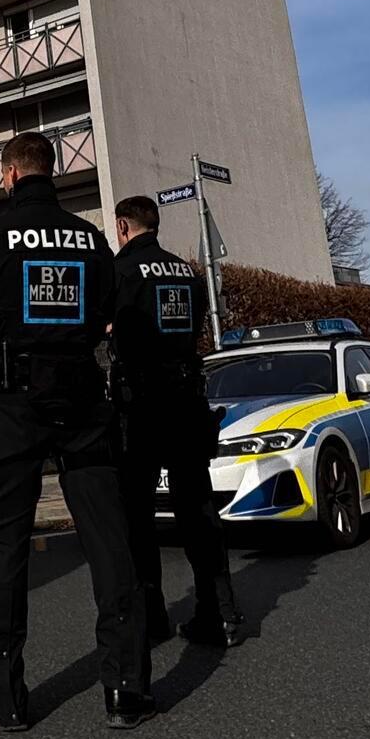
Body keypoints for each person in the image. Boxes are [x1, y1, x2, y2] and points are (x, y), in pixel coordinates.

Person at [0, 131, 153, 731]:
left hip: (14, 405)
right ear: (54, 171)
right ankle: (126, 688)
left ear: (10, 175)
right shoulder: (91, 239)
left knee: (1, 545)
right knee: (108, 540)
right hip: (82, 400)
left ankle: (5, 698)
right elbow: (105, 316)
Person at [109, 195, 243, 649]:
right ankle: (221, 612)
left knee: (138, 515)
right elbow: (195, 327)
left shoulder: (123, 271)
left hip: (142, 404)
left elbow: (117, 332)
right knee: (198, 507)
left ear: (123, 226)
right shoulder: (187, 272)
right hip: (187, 398)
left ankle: (151, 619)